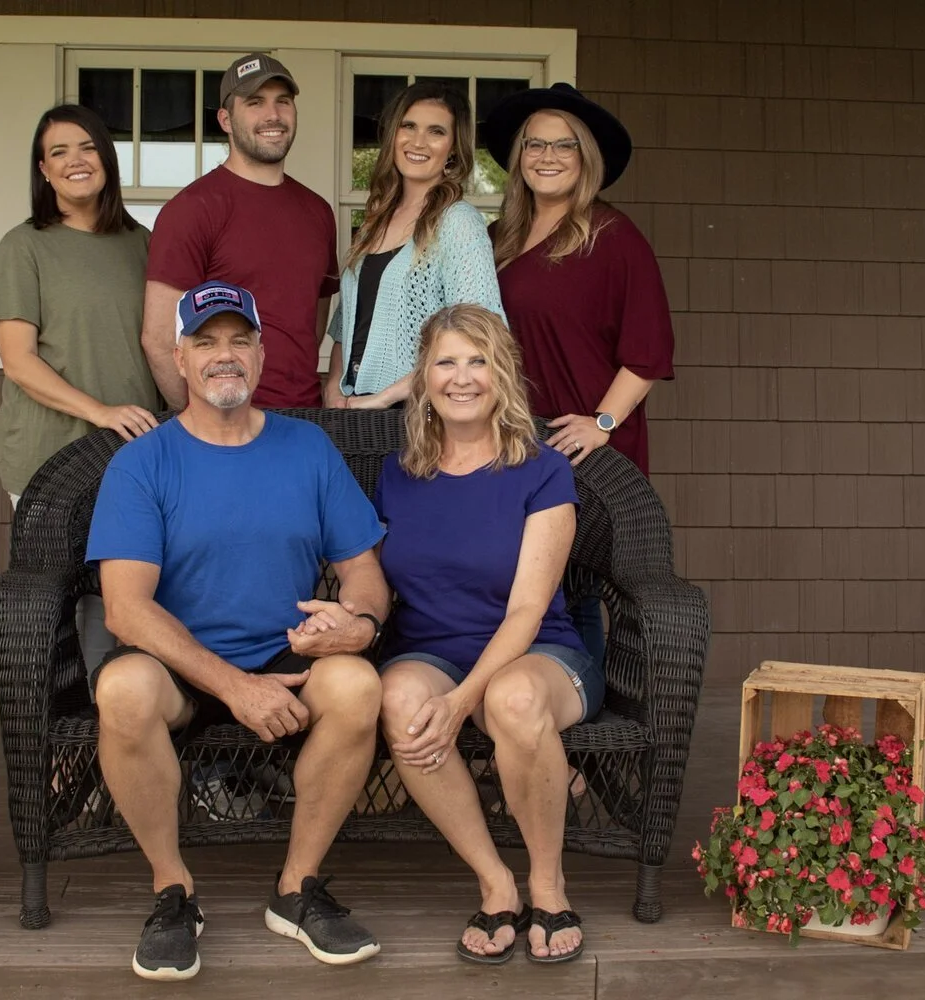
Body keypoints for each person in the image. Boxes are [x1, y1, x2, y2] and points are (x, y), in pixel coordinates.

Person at [87, 279, 391, 981]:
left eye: (238, 340)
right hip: (178, 670)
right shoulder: (144, 463)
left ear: (260, 354)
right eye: (206, 343)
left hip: (285, 658)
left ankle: (297, 887)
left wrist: (360, 624)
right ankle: (174, 893)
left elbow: (365, 572)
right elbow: (126, 609)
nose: (224, 356)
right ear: (181, 360)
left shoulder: (306, 449)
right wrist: (235, 687)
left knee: (356, 686)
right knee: (124, 691)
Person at [372, 304, 603, 965]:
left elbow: (528, 610)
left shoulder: (542, 470)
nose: (462, 377)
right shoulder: (398, 473)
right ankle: (495, 882)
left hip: (541, 652)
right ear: (424, 377)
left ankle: (547, 883)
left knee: (513, 700)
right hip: (430, 648)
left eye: (479, 361)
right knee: (399, 703)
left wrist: (463, 699)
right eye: (446, 361)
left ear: (502, 375)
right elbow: (377, 579)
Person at [482, 83, 675, 665]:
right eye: (534, 144)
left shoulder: (614, 238)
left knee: (571, 592)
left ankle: (574, 729)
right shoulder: (498, 240)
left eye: (564, 145)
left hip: (577, 447)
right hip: (510, 442)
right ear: (519, 156)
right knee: (515, 588)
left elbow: (648, 351)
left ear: (586, 157)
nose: (547, 155)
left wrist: (602, 423)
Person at [0, 103, 161, 671]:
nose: (74, 160)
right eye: (58, 152)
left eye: (86, 147)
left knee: (122, 603)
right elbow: (18, 360)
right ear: (43, 170)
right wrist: (101, 411)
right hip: (46, 454)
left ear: (106, 158)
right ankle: (58, 752)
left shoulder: (144, 243)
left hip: (132, 456)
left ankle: (112, 740)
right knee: (54, 607)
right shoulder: (25, 245)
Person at [142, 53, 338, 410]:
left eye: (283, 101)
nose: (273, 115)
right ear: (225, 119)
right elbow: (158, 340)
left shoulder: (318, 212)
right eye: (255, 102)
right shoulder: (191, 210)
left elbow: (312, 323)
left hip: (306, 419)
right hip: (226, 426)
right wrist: (201, 426)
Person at [325, 81, 503, 409]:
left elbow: (481, 336)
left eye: (436, 131)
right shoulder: (375, 220)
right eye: (409, 126)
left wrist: (386, 397)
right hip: (355, 409)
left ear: (453, 148)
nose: (418, 141)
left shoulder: (457, 222)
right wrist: (334, 385)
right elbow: (346, 321)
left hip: (421, 412)